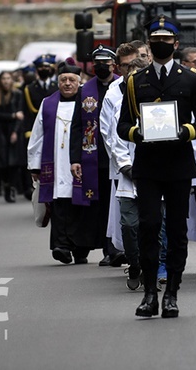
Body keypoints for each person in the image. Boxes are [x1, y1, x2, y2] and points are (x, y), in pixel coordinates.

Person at [117, 15, 196, 318]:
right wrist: (138, 134)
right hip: (147, 164)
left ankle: (171, 291)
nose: (161, 44)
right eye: (155, 40)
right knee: (148, 227)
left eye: (166, 39)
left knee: (176, 229)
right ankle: (149, 293)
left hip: (178, 165)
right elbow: (123, 126)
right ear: (149, 43)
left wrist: (187, 131)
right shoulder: (135, 81)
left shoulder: (192, 78)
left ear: (175, 42)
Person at [70, 45, 125, 266]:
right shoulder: (85, 91)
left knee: (118, 203)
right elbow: (76, 126)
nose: (101, 66)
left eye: (105, 62)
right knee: (101, 206)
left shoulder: (123, 85)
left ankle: (119, 247)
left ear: (114, 64)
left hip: (120, 154)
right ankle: (108, 248)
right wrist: (75, 158)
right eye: (97, 63)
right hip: (95, 156)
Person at [26, 58, 85, 264]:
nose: (67, 84)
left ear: (79, 82)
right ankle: (61, 246)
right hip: (57, 163)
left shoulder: (87, 103)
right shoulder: (48, 103)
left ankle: (80, 248)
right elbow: (37, 136)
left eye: (71, 80)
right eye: (63, 80)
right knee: (59, 204)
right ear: (58, 82)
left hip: (82, 162)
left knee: (80, 205)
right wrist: (34, 165)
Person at [101, 50, 148, 290]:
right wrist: (128, 169)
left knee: (154, 227)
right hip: (129, 177)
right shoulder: (121, 107)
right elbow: (115, 139)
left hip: (154, 176)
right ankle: (135, 263)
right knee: (129, 225)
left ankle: (151, 269)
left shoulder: (159, 106)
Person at [21, 54, 58, 199]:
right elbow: (27, 112)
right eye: (41, 67)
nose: (44, 69)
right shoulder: (29, 89)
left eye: (47, 67)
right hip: (35, 131)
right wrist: (27, 132)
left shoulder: (57, 87)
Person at [0, 71, 25, 202]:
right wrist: (12, 115)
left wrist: (16, 131)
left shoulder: (18, 94)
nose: (6, 81)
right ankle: (6, 186)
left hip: (13, 130)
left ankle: (12, 188)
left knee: (14, 163)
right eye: (3, 78)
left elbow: (20, 115)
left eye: (8, 78)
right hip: (0, 131)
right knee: (2, 163)